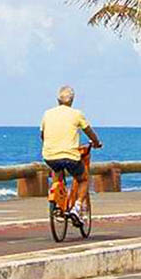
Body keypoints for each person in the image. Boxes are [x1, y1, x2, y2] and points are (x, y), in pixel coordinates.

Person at [40, 85, 102, 222]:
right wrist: (96, 142)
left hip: (49, 155)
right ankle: (77, 207)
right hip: (70, 156)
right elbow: (89, 131)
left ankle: (57, 205)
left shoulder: (47, 114)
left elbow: (43, 135)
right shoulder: (76, 114)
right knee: (83, 179)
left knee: (57, 170)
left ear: (58, 99)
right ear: (72, 100)